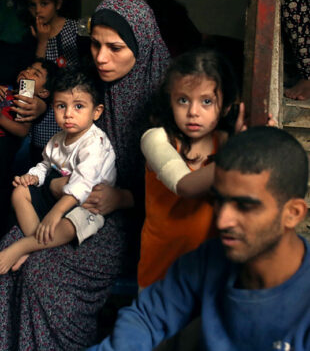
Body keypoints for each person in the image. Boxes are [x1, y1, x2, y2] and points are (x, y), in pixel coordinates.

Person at [0, 0, 170, 350]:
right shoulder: (88, 85)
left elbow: (177, 184)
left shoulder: (166, 99)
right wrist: (56, 177)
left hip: (128, 221)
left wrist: (124, 197)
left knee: (42, 274)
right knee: (9, 246)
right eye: (96, 45)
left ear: (142, 43)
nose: (102, 58)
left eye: (116, 48)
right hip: (69, 199)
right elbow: (54, 147)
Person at [89, 126, 310, 351]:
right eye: (219, 201)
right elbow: (145, 318)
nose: (222, 221)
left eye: (244, 207)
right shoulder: (208, 260)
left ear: (292, 214)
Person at [0, 68, 116, 274]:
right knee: (19, 192)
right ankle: (37, 244)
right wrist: (33, 177)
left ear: (97, 111)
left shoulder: (94, 143)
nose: (68, 114)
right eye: (61, 106)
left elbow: (84, 183)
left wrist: (55, 213)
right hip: (56, 197)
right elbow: (46, 165)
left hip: (85, 203)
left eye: (78, 106)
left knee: (73, 224)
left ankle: (25, 246)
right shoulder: (58, 139)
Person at [137, 48, 240, 288]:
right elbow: (185, 185)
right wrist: (240, 150)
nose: (193, 112)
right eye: (183, 100)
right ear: (170, 100)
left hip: (209, 274)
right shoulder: (156, 139)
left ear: (225, 106)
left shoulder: (223, 142)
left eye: (206, 101)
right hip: (160, 274)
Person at [0, 57, 58, 238]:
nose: (27, 72)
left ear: (44, 92)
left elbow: (22, 131)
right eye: (28, 68)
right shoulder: (6, 90)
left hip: (2, 148)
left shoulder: (28, 101)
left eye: (35, 74)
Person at [25, 0, 83, 163]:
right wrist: (41, 41)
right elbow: (28, 80)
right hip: (42, 111)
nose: (38, 11)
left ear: (57, 4)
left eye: (44, 4)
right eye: (33, 5)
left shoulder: (74, 30)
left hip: (71, 102)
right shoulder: (29, 33)